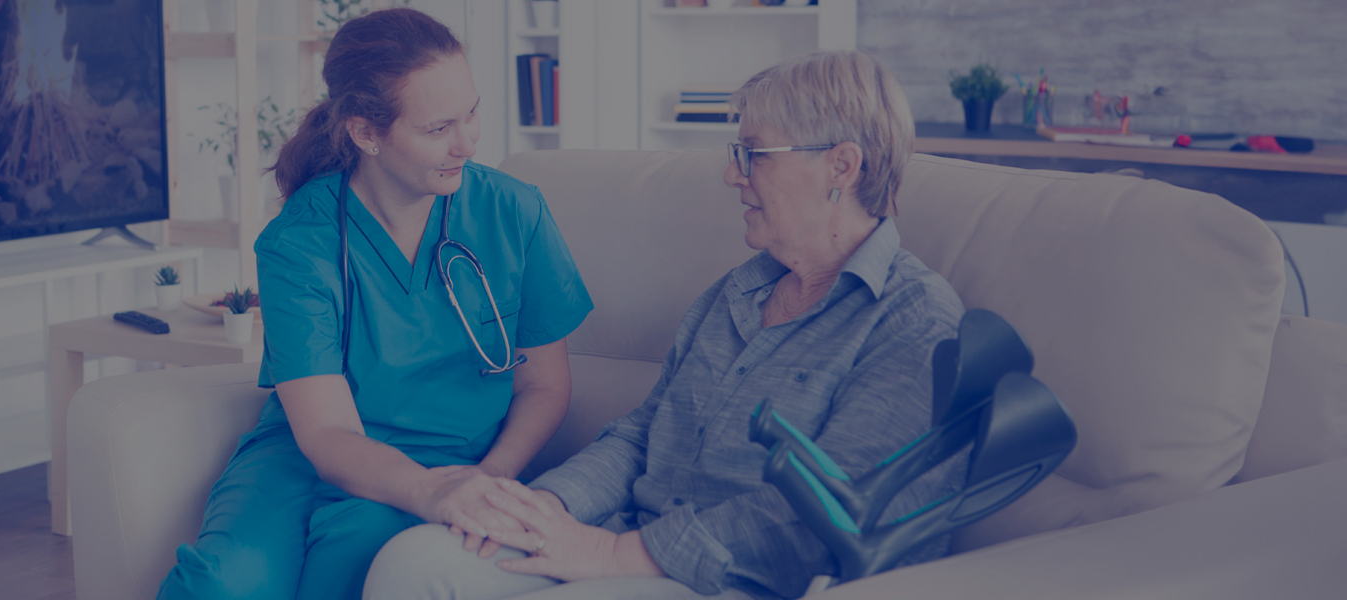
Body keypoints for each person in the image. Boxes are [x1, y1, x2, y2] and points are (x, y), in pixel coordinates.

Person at [363, 50, 967, 600]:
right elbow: (641, 436)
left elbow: (833, 512)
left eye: (752, 154)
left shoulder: (914, 322)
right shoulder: (736, 294)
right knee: (412, 565)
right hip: (627, 538)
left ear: (842, 166)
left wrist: (613, 553)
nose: (733, 175)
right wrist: (542, 506)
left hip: (738, 580)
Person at [154, 8, 594, 600]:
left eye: (472, 113)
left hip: (451, 457)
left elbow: (546, 385)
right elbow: (327, 430)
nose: (467, 143)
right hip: (306, 455)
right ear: (366, 133)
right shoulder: (302, 240)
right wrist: (431, 493)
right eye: (439, 128)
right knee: (221, 586)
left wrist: (484, 482)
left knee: (349, 572)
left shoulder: (514, 212)